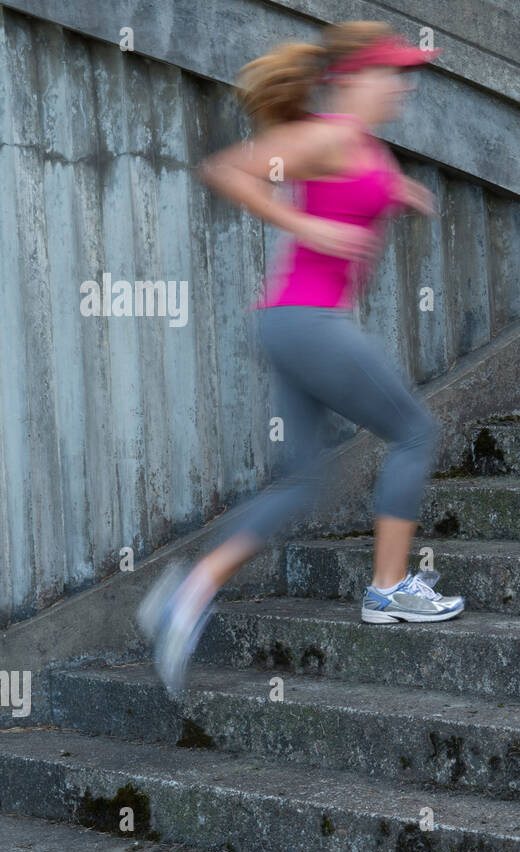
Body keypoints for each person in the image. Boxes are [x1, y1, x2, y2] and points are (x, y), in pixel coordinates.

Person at [136, 21, 464, 696]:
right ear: (352, 81)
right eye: (390, 74)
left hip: (292, 323)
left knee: (297, 481)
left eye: (407, 75)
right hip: (309, 321)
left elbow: (358, 186)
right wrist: (307, 224)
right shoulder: (330, 135)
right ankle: (388, 588)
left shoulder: (360, 144)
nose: (402, 87)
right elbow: (226, 168)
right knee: (414, 430)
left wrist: (400, 194)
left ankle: (188, 592)